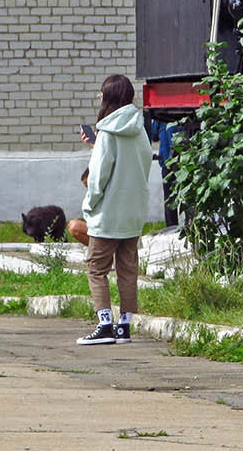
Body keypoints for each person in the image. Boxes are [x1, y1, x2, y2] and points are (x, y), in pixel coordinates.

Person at [75, 74, 152, 346]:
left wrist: (89, 204)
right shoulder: (140, 129)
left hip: (108, 214)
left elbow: (98, 178)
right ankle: (124, 327)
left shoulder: (107, 132)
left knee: (96, 267)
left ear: (108, 98)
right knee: (128, 269)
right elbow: (139, 165)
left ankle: (104, 324)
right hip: (132, 213)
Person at [145, 116, 179, 229]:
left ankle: (171, 226)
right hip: (184, 162)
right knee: (187, 197)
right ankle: (191, 225)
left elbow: (153, 136)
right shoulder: (186, 114)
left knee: (169, 197)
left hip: (167, 162)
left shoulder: (160, 117)